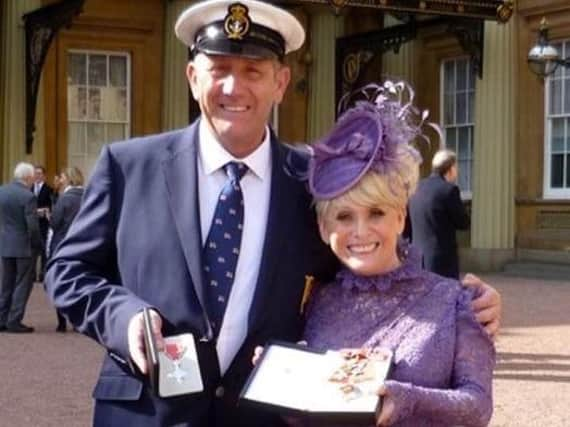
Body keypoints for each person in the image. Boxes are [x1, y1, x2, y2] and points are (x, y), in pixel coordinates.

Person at [45, 1, 500, 426]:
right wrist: (122, 317)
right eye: (218, 69)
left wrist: (465, 303)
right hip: (144, 411)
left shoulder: (311, 180)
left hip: (258, 415)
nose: (233, 87)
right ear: (192, 76)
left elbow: (366, 255)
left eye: (252, 71)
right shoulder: (130, 166)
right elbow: (67, 270)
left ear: (281, 82)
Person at [301, 82, 494, 426]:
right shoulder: (315, 300)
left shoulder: (454, 301)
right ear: (323, 227)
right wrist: (279, 380)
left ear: (401, 216)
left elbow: (478, 406)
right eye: (344, 217)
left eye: (376, 213)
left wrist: (406, 400)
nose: (360, 232)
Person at [408, 149, 470, 279]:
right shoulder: (449, 190)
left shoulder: (416, 188)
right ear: (451, 168)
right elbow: (463, 222)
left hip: (416, 258)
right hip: (442, 261)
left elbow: (407, 226)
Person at [0, 162, 42, 333]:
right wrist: (38, 244)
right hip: (24, 246)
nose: (33, 180)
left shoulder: (2, 191)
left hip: (5, 243)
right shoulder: (28, 196)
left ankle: (2, 318)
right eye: (32, 177)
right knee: (22, 284)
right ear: (27, 177)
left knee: (6, 283)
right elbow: (32, 226)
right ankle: (14, 320)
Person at [48, 166, 85, 332]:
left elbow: (55, 223)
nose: (60, 180)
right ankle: (79, 322)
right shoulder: (89, 196)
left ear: (69, 178)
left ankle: (62, 321)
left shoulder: (64, 199)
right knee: (81, 283)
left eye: (62, 177)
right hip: (83, 244)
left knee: (61, 283)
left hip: (63, 244)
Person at [32, 165, 54, 282]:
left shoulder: (49, 189)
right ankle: (32, 275)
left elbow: (51, 207)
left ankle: (42, 275)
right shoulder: (29, 188)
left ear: (44, 176)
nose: (37, 176)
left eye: (39, 173)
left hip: (43, 225)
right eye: (35, 173)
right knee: (32, 251)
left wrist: (44, 210)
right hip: (31, 225)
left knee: (43, 250)